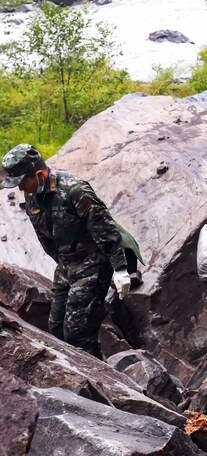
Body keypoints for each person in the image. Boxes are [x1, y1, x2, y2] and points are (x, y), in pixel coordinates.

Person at [2, 144, 135, 358]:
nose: (20, 189)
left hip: (92, 264)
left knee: (78, 334)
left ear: (39, 173)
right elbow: (46, 238)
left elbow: (105, 229)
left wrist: (120, 269)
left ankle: (102, 383)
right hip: (65, 266)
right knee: (55, 328)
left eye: (22, 182)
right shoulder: (32, 196)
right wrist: (61, 262)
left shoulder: (74, 191)